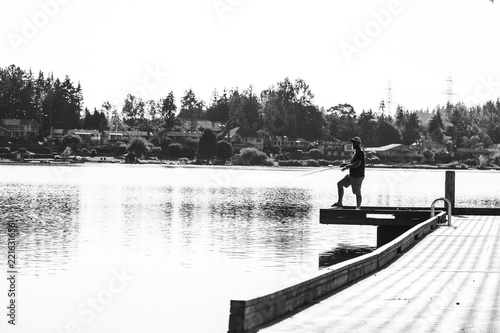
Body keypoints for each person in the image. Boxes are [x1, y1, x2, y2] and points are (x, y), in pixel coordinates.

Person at [331, 136, 365, 210]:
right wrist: (345, 164)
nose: (352, 143)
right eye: (352, 142)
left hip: (357, 176)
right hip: (351, 175)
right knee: (340, 184)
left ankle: (358, 208)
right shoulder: (355, 152)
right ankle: (339, 202)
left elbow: (358, 164)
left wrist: (347, 167)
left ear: (358, 144)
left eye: (354, 142)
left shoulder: (360, 152)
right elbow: (353, 162)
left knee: (357, 192)